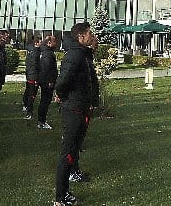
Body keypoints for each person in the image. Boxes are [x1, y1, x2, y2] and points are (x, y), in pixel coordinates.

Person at [53, 23, 99, 206]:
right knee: (68, 153)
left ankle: (68, 183)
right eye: (89, 33)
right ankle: (60, 198)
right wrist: (62, 96)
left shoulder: (81, 54)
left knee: (73, 149)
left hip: (81, 107)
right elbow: (62, 82)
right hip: (73, 109)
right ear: (80, 36)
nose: (92, 36)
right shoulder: (74, 55)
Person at [35, 35, 59, 129]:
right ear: (49, 43)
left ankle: (42, 120)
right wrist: (50, 80)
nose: (56, 43)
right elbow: (47, 68)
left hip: (45, 80)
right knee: (45, 101)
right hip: (46, 81)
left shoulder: (45, 52)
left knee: (44, 101)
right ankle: (41, 121)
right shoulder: (47, 54)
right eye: (54, 41)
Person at [23, 36, 41, 119]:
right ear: (36, 43)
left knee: (29, 92)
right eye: (40, 42)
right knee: (32, 94)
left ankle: (26, 106)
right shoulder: (35, 53)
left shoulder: (32, 51)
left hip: (30, 75)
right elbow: (34, 66)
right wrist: (36, 78)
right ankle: (29, 111)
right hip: (33, 76)